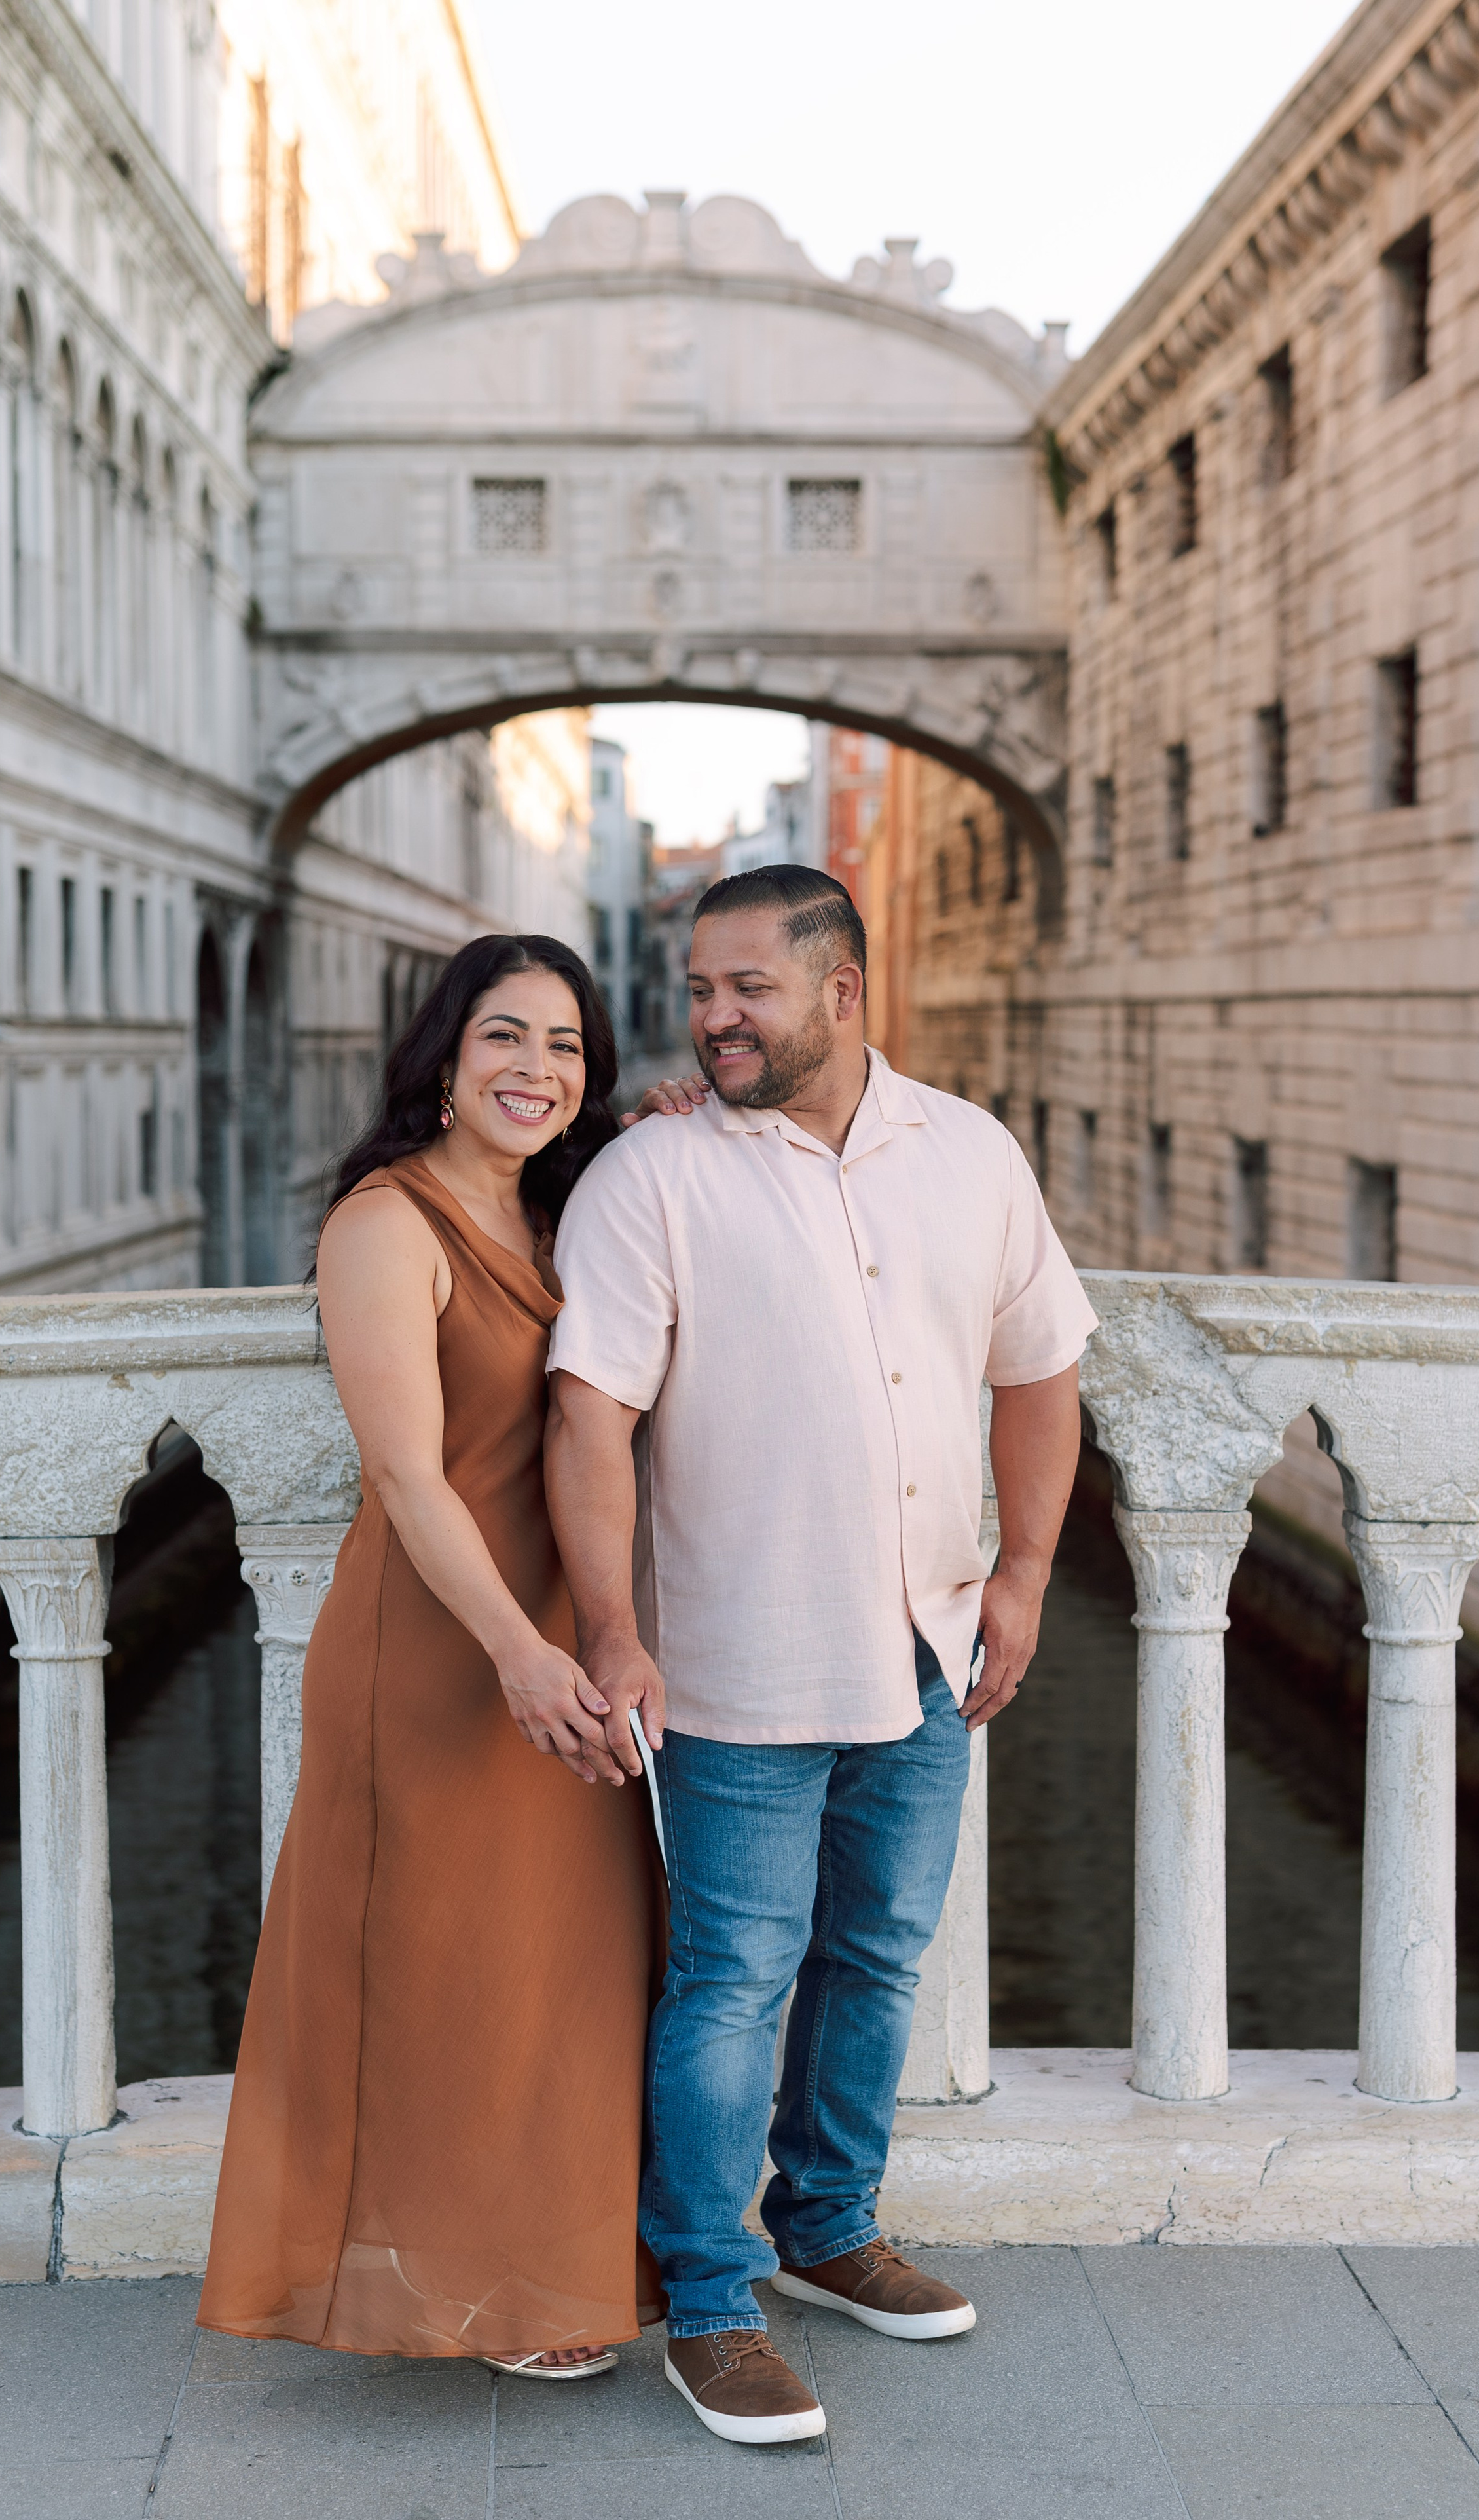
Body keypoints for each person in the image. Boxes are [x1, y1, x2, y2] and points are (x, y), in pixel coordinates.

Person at [545, 864, 1098, 2445]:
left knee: (878, 1951)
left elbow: (1036, 1370)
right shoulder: (650, 1177)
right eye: (698, 991)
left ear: (842, 990)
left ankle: (828, 2222)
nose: (711, 1017)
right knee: (733, 1976)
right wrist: (611, 1627)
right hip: (737, 1658)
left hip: (928, 1640)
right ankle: (709, 2297)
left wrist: (1025, 1571)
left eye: (747, 989)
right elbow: (588, 1419)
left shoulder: (969, 1152)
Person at [197, 935, 665, 2377]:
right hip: (443, 1643)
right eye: (505, 1036)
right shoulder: (385, 1224)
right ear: (444, 1062)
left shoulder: (571, 1209)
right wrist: (520, 1654)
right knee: (447, 1968)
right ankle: (457, 2292)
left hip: (567, 1636)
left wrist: (672, 1124)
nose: (538, 1068)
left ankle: (549, 2270)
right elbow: (407, 1475)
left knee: (565, 1965)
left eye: (566, 1045)